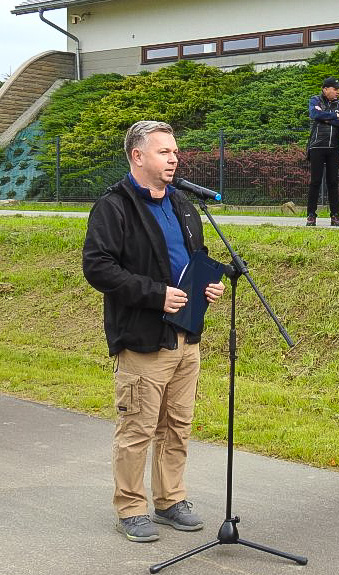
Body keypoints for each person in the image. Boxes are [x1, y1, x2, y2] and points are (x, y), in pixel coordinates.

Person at [83, 121, 225, 543]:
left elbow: (193, 257)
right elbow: (98, 267)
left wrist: (206, 285)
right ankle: (131, 508)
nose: (174, 158)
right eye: (164, 152)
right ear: (137, 156)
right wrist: (154, 294)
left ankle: (170, 500)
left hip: (186, 335)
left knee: (178, 425)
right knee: (137, 428)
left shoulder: (182, 203)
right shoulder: (114, 206)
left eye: (175, 152)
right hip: (144, 337)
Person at [306, 76, 339, 227]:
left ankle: (335, 216)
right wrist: (334, 116)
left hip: (334, 148)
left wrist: (326, 118)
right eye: (335, 89)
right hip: (317, 146)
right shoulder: (315, 100)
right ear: (325, 89)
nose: (338, 92)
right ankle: (311, 215)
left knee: (333, 182)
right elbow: (314, 115)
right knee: (315, 181)